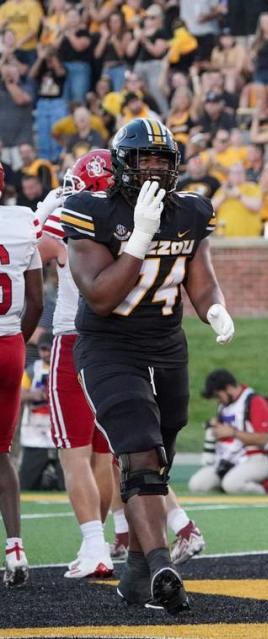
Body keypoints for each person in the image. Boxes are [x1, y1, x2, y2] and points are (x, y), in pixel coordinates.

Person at [60, 118, 234, 613]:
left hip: (166, 345)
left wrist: (214, 309)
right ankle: (162, 566)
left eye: (163, 160)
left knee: (158, 463)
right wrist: (139, 237)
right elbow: (99, 296)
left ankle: (138, 573)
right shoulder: (90, 210)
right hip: (110, 346)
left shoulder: (192, 211)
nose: (154, 168)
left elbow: (200, 278)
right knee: (139, 451)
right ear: (122, 163)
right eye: (144, 159)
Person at [38, 150, 117, 580]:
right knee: (103, 456)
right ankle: (101, 539)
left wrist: (45, 209)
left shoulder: (69, 213)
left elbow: (38, 246)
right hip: (114, 345)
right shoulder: (124, 219)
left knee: (74, 455)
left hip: (74, 339)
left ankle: (94, 545)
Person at [0, 163, 44, 587]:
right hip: (10, 346)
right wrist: (18, 341)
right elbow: (35, 300)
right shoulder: (21, 222)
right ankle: (15, 546)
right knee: (1, 453)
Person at [188, 369, 268, 495]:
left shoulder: (255, 402)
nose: (218, 400)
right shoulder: (224, 406)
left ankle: (261, 487)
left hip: (256, 459)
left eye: (218, 395)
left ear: (228, 388)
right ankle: (231, 483)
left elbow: (263, 439)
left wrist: (233, 433)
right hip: (228, 460)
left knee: (232, 484)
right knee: (197, 485)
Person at [17, 335, 64, 493]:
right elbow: (18, 395)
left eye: (49, 349)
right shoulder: (32, 371)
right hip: (35, 435)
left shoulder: (63, 368)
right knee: (26, 484)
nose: (46, 353)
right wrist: (33, 395)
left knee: (67, 484)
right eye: (42, 349)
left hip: (59, 435)